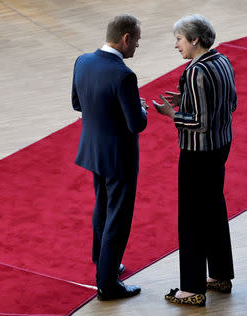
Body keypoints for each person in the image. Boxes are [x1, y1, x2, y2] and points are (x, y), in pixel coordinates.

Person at [153, 14, 237, 307]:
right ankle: (220, 274)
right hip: (221, 146)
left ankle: (191, 288)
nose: (176, 45)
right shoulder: (223, 61)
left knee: (190, 217)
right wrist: (185, 99)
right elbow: (231, 102)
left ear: (195, 40)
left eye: (179, 39)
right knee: (214, 207)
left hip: (197, 153)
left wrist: (172, 114)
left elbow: (198, 122)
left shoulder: (194, 71)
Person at [71, 14, 148, 300]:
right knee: (118, 217)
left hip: (93, 150)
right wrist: (140, 108)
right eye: (137, 41)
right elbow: (136, 124)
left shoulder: (82, 61)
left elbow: (78, 103)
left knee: (101, 206)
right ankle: (107, 283)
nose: (137, 47)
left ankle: (102, 259)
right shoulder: (124, 75)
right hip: (119, 157)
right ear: (126, 38)